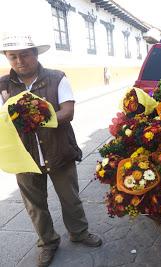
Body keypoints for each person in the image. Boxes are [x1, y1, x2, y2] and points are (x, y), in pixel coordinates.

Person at [0, 34, 102, 267]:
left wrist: (38, 119)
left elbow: (68, 112)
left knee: (70, 198)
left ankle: (79, 232)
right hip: (24, 156)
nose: (19, 61)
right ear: (7, 58)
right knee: (35, 205)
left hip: (59, 150)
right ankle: (47, 242)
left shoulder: (57, 78)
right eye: (13, 56)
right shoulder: (4, 85)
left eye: (25, 55)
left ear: (35, 54)